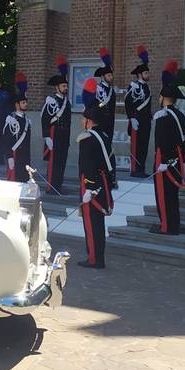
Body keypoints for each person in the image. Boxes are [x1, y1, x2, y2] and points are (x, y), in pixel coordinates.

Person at [76, 77, 115, 268]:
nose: (81, 121)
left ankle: (94, 259)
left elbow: (88, 165)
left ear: (89, 121)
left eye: (84, 118)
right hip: (103, 183)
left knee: (92, 225)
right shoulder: (104, 137)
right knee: (98, 224)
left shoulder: (88, 139)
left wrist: (89, 189)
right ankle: (99, 257)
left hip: (91, 185)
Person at [150, 61, 185, 235]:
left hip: (164, 161)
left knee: (164, 196)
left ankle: (166, 226)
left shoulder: (163, 115)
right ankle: (174, 224)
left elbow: (162, 141)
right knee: (172, 196)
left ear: (164, 98)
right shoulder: (180, 115)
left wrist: (163, 161)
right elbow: (184, 141)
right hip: (176, 161)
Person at [41, 55, 72, 194]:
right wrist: (46, 136)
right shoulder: (51, 101)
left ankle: (58, 185)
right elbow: (44, 119)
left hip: (64, 135)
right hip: (54, 134)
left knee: (62, 162)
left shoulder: (67, 101)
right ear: (57, 87)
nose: (66, 88)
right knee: (54, 163)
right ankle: (51, 187)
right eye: (63, 86)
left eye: (66, 86)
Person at [125, 45, 152, 178]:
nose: (148, 75)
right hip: (137, 119)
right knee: (136, 146)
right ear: (140, 75)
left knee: (144, 146)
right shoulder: (134, 86)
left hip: (146, 120)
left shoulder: (147, 87)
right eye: (146, 73)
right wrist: (131, 117)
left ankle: (141, 169)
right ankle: (135, 169)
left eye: (148, 73)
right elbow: (128, 102)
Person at [1, 88, 32, 182]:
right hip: (15, 155)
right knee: (14, 179)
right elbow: (6, 140)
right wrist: (9, 156)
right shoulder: (11, 120)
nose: (25, 104)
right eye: (23, 102)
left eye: (26, 102)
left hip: (25, 156)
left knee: (25, 179)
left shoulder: (27, 121)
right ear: (17, 105)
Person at [93, 48, 116, 138]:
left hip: (110, 122)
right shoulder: (98, 88)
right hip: (100, 121)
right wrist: (102, 104)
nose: (111, 77)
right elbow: (95, 106)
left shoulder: (111, 90)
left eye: (111, 75)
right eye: (109, 75)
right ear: (103, 76)